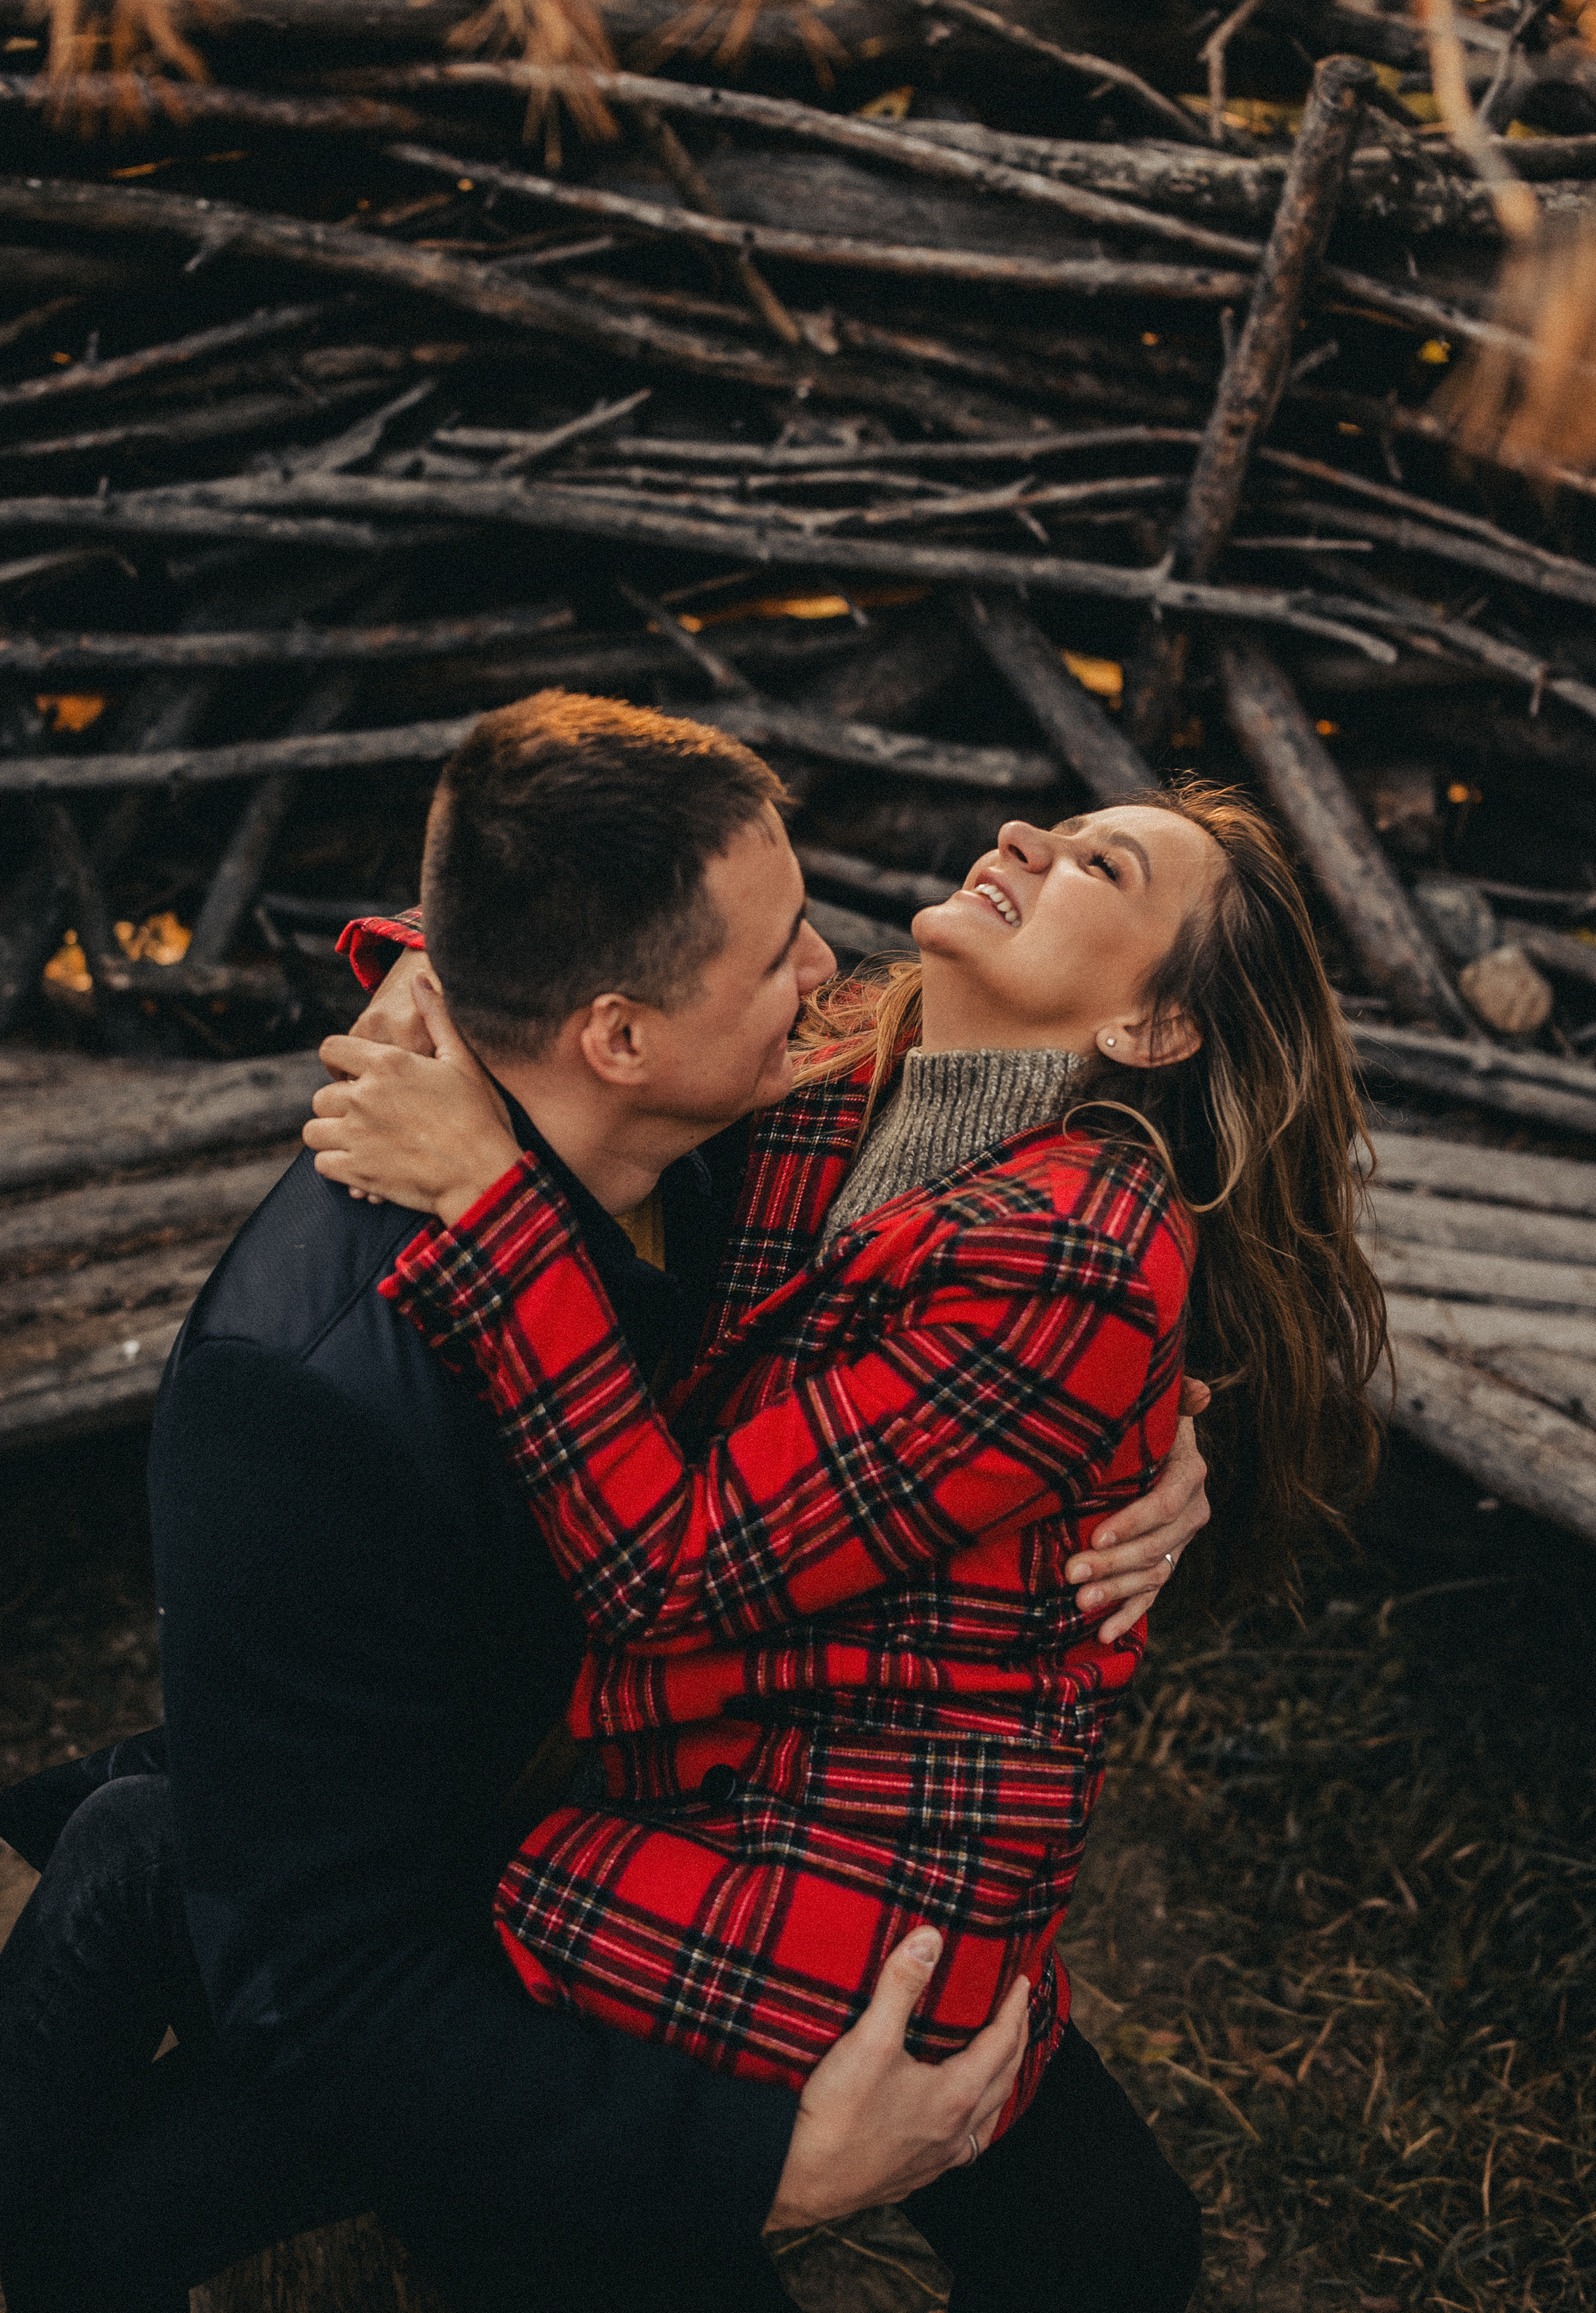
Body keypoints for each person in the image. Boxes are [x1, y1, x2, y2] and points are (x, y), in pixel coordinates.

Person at [0, 694, 1209, 2313]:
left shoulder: (747, 1124)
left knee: (1120, 2248)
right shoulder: (303, 1390)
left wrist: (1161, 1440)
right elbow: (337, 1988)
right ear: (618, 1039)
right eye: (782, 955)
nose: (831, 972)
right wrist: (765, 2170)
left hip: (731, 1797)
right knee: (168, 2081)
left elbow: (1046, 1286)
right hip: (495, 1884)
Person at [306, 701, 1389, 2303]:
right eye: (1055, 825)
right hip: (742, 1738)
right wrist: (435, 971)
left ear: (1155, 1028)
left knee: (380, 1939)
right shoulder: (860, 1069)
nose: (1024, 838)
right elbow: (623, 985)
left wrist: (485, 1198)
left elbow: (669, 1574)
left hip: (855, 1869)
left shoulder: (1074, 1250)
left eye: (1098, 866)